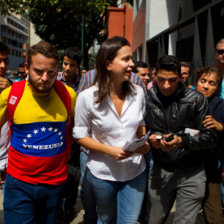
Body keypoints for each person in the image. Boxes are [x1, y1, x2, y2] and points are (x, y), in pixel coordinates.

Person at [73, 36, 150, 224]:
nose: (131, 64)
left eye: (131, 58)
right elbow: (80, 136)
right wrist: (110, 150)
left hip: (135, 171)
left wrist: (144, 142)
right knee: (106, 219)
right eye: (126, 59)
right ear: (108, 64)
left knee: (129, 221)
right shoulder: (86, 97)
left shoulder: (138, 92)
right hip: (102, 174)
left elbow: (140, 124)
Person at [0, 41, 76, 224]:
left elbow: (73, 128)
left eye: (51, 72)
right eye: (38, 71)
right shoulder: (10, 96)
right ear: (27, 67)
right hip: (18, 184)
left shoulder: (68, 95)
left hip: (54, 185)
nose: (44, 78)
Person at [145, 55, 216, 224]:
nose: (166, 85)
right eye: (161, 80)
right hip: (161, 170)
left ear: (181, 77)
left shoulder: (196, 99)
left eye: (172, 80)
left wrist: (181, 141)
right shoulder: (145, 99)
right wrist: (150, 141)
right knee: (153, 220)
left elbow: (210, 136)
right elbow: (138, 133)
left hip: (192, 172)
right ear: (154, 76)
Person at [57, 46, 83, 222]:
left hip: (75, 139)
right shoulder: (55, 81)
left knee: (73, 175)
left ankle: (69, 206)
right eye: (65, 64)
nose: (67, 68)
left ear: (77, 67)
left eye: (71, 65)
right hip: (57, 135)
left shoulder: (83, 84)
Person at [196, 66, 224, 224]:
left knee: (215, 216)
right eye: (203, 81)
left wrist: (221, 127)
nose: (206, 86)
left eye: (212, 83)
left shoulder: (220, 106)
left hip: (210, 169)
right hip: (184, 167)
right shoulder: (184, 101)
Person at [0, 42, 11, 192]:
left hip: (7, 166)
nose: (2, 66)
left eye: (5, 61)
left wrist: (10, 91)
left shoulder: (13, 88)